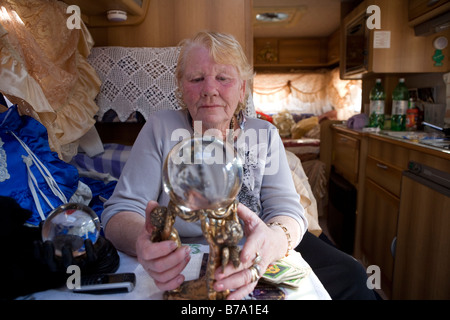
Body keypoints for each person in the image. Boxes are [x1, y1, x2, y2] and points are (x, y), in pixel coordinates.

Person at [101, 31, 376, 300]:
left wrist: (273, 241)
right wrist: (146, 239)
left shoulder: (265, 134)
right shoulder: (160, 127)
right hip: (184, 253)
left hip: (255, 248)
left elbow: (288, 210)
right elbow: (120, 211)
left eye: (223, 78)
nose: (209, 89)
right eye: (196, 78)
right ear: (182, 89)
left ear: (243, 88)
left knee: (354, 277)